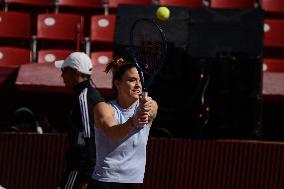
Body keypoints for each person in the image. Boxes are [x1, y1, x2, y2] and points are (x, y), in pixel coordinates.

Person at [87, 58, 158, 189]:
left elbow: (151, 110)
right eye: (131, 80)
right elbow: (112, 134)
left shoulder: (151, 105)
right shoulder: (103, 108)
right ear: (118, 83)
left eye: (140, 80)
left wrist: (146, 108)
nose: (138, 85)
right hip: (105, 181)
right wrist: (133, 122)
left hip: (133, 181)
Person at [55, 52, 105, 189]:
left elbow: (91, 139)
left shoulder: (84, 98)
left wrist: (85, 178)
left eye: (64, 71)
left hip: (79, 171)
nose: (62, 75)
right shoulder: (91, 95)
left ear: (75, 73)